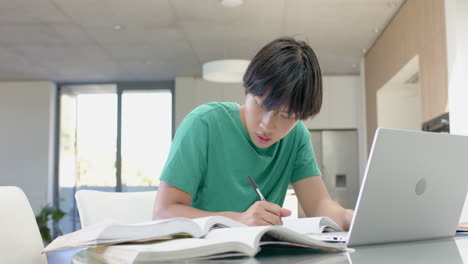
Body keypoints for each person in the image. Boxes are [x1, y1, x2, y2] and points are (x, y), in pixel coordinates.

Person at [153, 36, 354, 230]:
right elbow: (163, 212)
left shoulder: (296, 136)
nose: (267, 125)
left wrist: (347, 218)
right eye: (261, 105)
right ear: (247, 91)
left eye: (286, 116)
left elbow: (318, 204)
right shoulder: (203, 124)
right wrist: (238, 220)